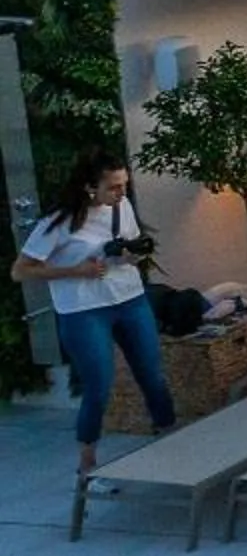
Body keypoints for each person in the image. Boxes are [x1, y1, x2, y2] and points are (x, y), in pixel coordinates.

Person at [14, 153, 171, 475]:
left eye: (124, 185)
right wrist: (75, 270)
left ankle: (170, 440)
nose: (121, 194)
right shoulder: (59, 222)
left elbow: (125, 247)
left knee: (153, 375)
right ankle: (87, 467)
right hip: (83, 309)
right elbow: (20, 271)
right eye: (113, 187)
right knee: (98, 386)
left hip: (129, 298)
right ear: (90, 187)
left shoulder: (122, 207)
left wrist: (130, 256)